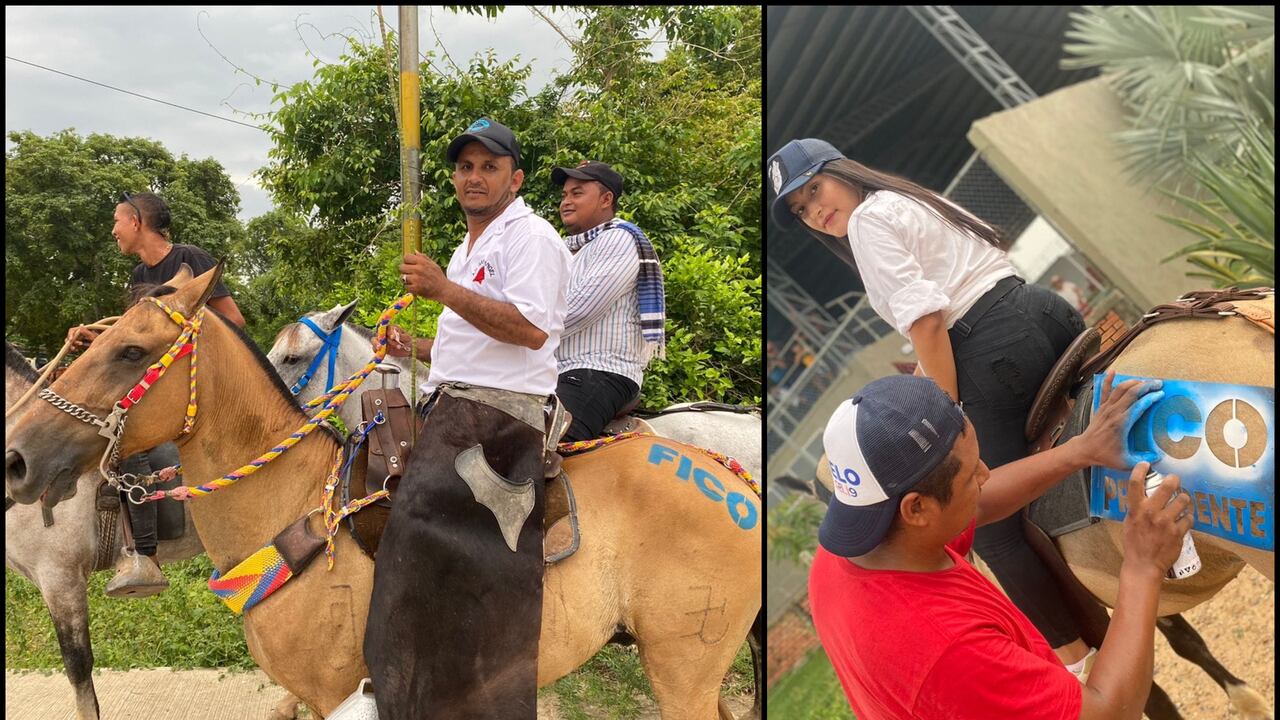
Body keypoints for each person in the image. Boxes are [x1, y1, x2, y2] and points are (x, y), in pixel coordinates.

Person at [768, 138, 1095, 668]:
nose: (815, 210)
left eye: (814, 189)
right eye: (802, 210)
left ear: (840, 172)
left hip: (995, 351)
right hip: (1040, 310)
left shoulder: (867, 225)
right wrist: (930, 376)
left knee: (987, 521)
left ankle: (1077, 659)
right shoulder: (909, 198)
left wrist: (946, 412)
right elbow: (946, 313)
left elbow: (927, 321)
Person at [810, 373, 1189, 719]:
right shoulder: (948, 649)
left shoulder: (858, 545)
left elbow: (980, 501)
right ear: (917, 508)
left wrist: (1079, 451)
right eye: (971, 472)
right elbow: (1108, 713)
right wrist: (1143, 566)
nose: (985, 474)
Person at [366, 118, 570, 719]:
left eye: (489, 166)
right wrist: (416, 347)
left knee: (414, 519)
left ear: (516, 177)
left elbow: (531, 331)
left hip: (496, 415)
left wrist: (442, 290)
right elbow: (477, 338)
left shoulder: (530, 237)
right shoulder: (470, 246)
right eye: (465, 167)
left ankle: (413, 692)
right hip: (458, 398)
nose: (474, 177)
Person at [65, 191, 245, 598]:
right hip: (153, 380)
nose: (113, 230)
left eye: (116, 221)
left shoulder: (190, 260)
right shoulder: (136, 278)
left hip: (192, 379)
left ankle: (143, 553)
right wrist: (95, 339)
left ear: (136, 223)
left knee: (127, 439)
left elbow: (234, 321)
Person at [548, 159, 665, 441]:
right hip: (554, 372)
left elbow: (576, 311)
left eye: (577, 193)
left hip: (598, 371)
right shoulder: (564, 249)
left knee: (533, 449)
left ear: (606, 199)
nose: (566, 201)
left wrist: (512, 330)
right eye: (564, 195)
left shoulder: (619, 239)